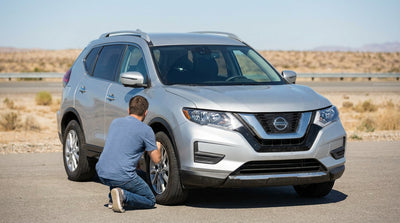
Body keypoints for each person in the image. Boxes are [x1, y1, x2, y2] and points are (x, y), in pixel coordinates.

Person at [96, 95, 161, 213]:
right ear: (145, 112)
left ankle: (113, 197)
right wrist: (158, 147)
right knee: (150, 199)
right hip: (121, 175)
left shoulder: (115, 122)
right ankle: (123, 196)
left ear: (128, 110)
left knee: (139, 173)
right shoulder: (146, 130)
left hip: (102, 172)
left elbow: (123, 148)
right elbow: (156, 159)